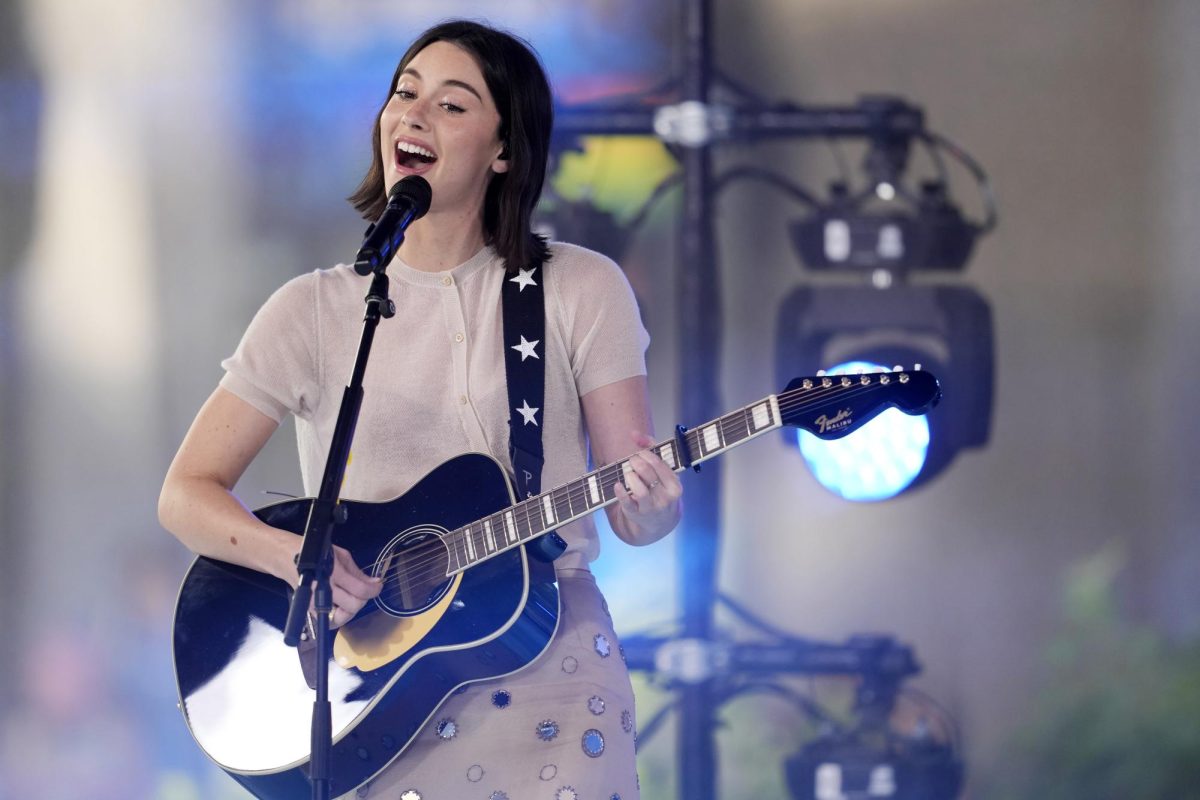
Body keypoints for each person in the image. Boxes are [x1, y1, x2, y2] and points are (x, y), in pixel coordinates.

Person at [158, 19, 682, 800]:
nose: (414, 114)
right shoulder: (314, 310)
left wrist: (656, 502)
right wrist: (297, 562)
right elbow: (185, 494)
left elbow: (636, 513)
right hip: (377, 689)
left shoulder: (581, 288)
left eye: (452, 104)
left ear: (504, 149)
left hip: (553, 671)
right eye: (405, 93)